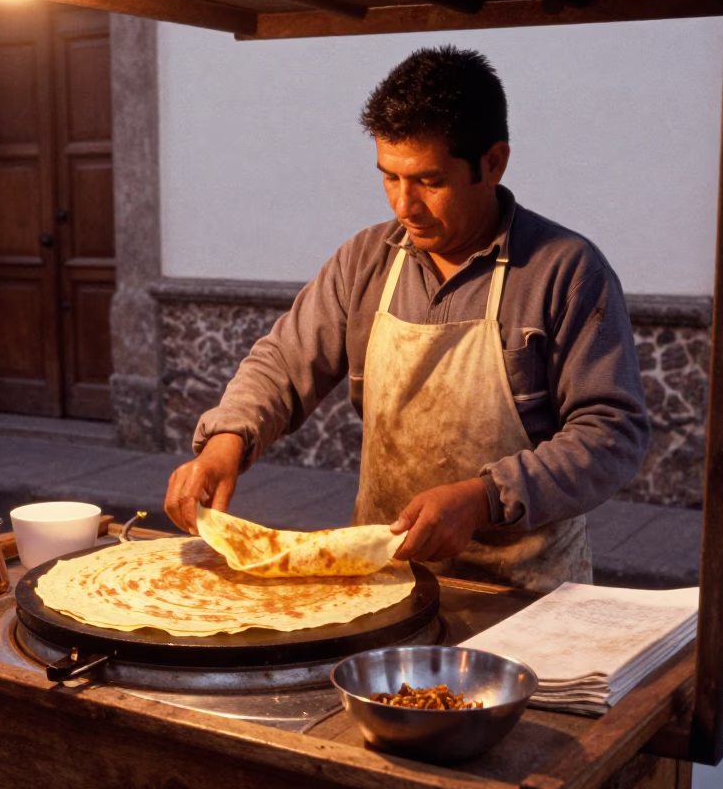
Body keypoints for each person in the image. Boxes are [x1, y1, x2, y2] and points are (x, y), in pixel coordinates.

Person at [163, 46, 649, 592]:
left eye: (429, 181)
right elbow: (284, 361)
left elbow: (612, 433)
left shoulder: (566, 272)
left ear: (493, 163)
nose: (404, 206)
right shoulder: (365, 260)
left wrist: (483, 497)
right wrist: (228, 438)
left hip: (524, 590)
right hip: (383, 581)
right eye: (390, 178)